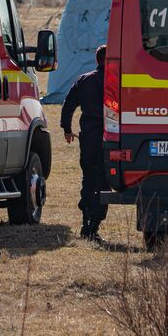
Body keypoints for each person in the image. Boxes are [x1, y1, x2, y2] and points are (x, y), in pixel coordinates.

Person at [61, 44, 108, 240]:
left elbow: (68, 105)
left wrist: (67, 129)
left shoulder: (84, 79)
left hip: (89, 138)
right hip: (110, 139)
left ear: (97, 60)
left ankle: (86, 222)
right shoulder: (117, 80)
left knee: (88, 179)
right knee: (104, 182)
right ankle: (94, 225)